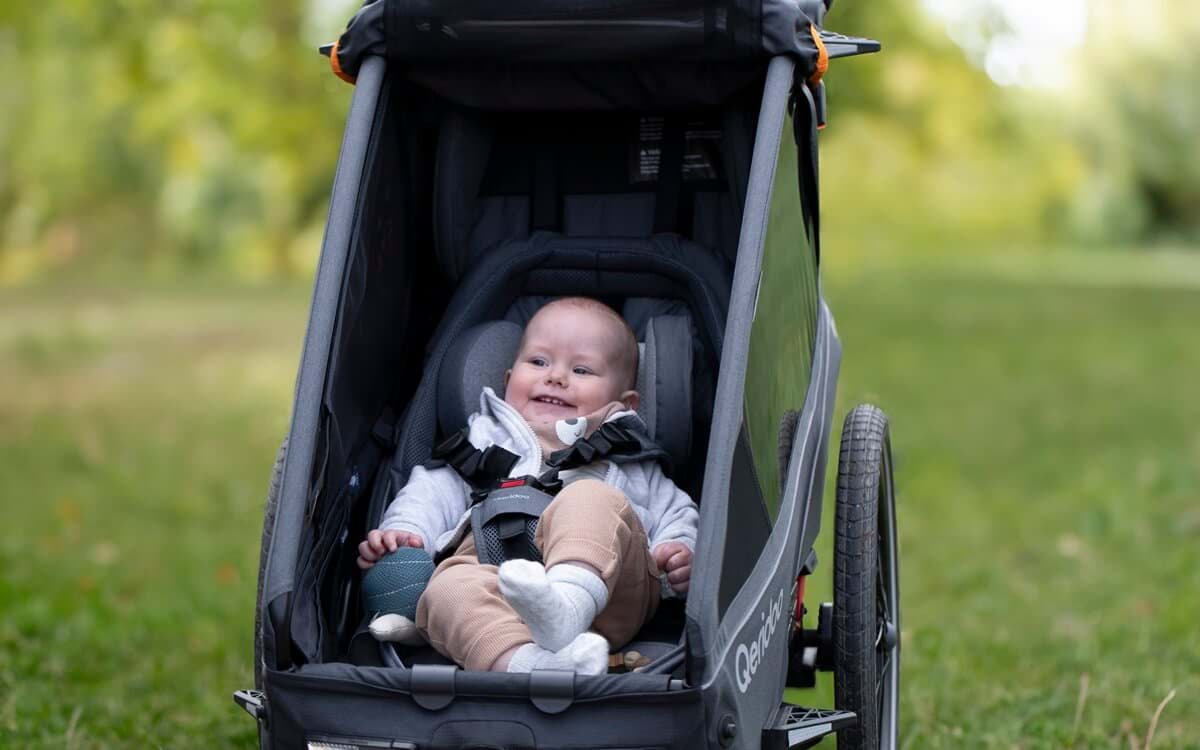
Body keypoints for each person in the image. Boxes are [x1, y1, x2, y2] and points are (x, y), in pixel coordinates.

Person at [357, 297, 698, 675]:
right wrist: (404, 534)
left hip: (610, 595)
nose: (555, 376)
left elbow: (678, 512)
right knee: (446, 589)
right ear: (507, 381)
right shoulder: (480, 447)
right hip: (496, 584)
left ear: (626, 402)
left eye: (582, 370)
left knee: (588, 498)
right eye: (538, 362)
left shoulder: (628, 458)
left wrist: (677, 550)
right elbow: (428, 494)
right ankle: (530, 665)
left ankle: (565, 606)